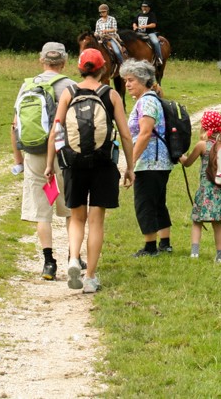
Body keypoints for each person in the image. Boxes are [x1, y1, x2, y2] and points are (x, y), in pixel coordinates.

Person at [45, 48, 135, 293]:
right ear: (103, 68)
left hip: (73, 163)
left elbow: (56, 131)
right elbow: (125, 135)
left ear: (80, 68)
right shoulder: (111, 94)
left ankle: (74, 258)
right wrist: (130, 167)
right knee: (96, 221)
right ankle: (91, 278)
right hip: (103, 164)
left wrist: (49, 164)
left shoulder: (68, 92)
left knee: (76, 217)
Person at [11, 42, 75, 280]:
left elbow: (15, 125)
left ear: (41, 60)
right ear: (65, 62)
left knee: (42, 212)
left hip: (34, 154)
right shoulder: (70, 85)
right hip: (64, 154)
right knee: (71, 210)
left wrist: (18, 159)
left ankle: (48, 263)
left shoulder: (27, 85)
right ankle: (73, 258)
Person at [120, 59, 174, 257]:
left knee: (145, 203)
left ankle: (150, 247)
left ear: (143, 80)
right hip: (159, 161)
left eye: (131, 80)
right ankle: (165, 243)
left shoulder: (147, 101)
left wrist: (131, 164)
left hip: (150, 161)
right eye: (126, 80)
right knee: (158, 202)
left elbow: (145, 133)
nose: (127, 84)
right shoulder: (150, 99)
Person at [179, 110, 221, 263]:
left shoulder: (203, 145)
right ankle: (220, 256)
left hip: (205, 190)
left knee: (197, 221)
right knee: (218, 224)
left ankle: (194, 253)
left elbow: (187, 162)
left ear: (204, 126)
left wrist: (179, 156)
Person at [132, 0, 162, 65]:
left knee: (156, 42)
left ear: (149, 8)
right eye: (143, 7)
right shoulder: (139, 14)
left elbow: (154, 24)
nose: (144, 8)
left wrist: (145, 26)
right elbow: (134, 22)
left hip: (149, 33)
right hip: (139, 33)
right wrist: (135, 26)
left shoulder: (151, 15)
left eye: (145, 7)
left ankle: (159, 58)